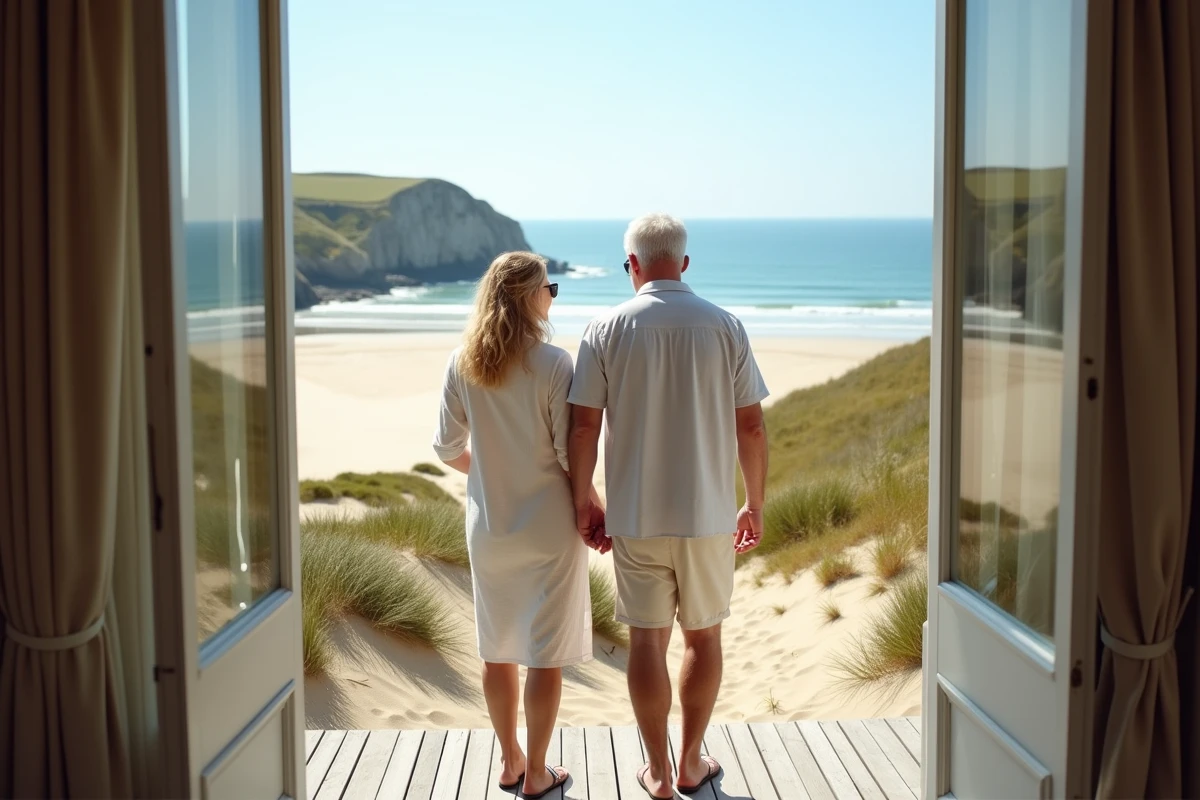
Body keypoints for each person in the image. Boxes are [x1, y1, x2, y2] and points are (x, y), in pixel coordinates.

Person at [567, 214, 769, 798]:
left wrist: (585, 504)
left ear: (631, 264)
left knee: (648, 642)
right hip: (708, 517)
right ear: (684, 263)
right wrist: (753, 504)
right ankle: (689, 764)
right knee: (704, 638)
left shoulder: (604, 329)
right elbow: (751, 427)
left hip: (635, 516)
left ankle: (656, 772)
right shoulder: (725, 326)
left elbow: (583, 429)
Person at [433, 251, 608, 798]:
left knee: (498, 647)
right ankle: (537, 771)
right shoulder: (555, 364)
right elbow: (567, 450)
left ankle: (509, 761)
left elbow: (446, 448)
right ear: (531, 296)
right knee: (545, 653)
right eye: (549, 287)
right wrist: (592, 503)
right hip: (548, 528)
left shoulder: (463, 360)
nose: (552, 295)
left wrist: (489, 470)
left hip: (490, 528)